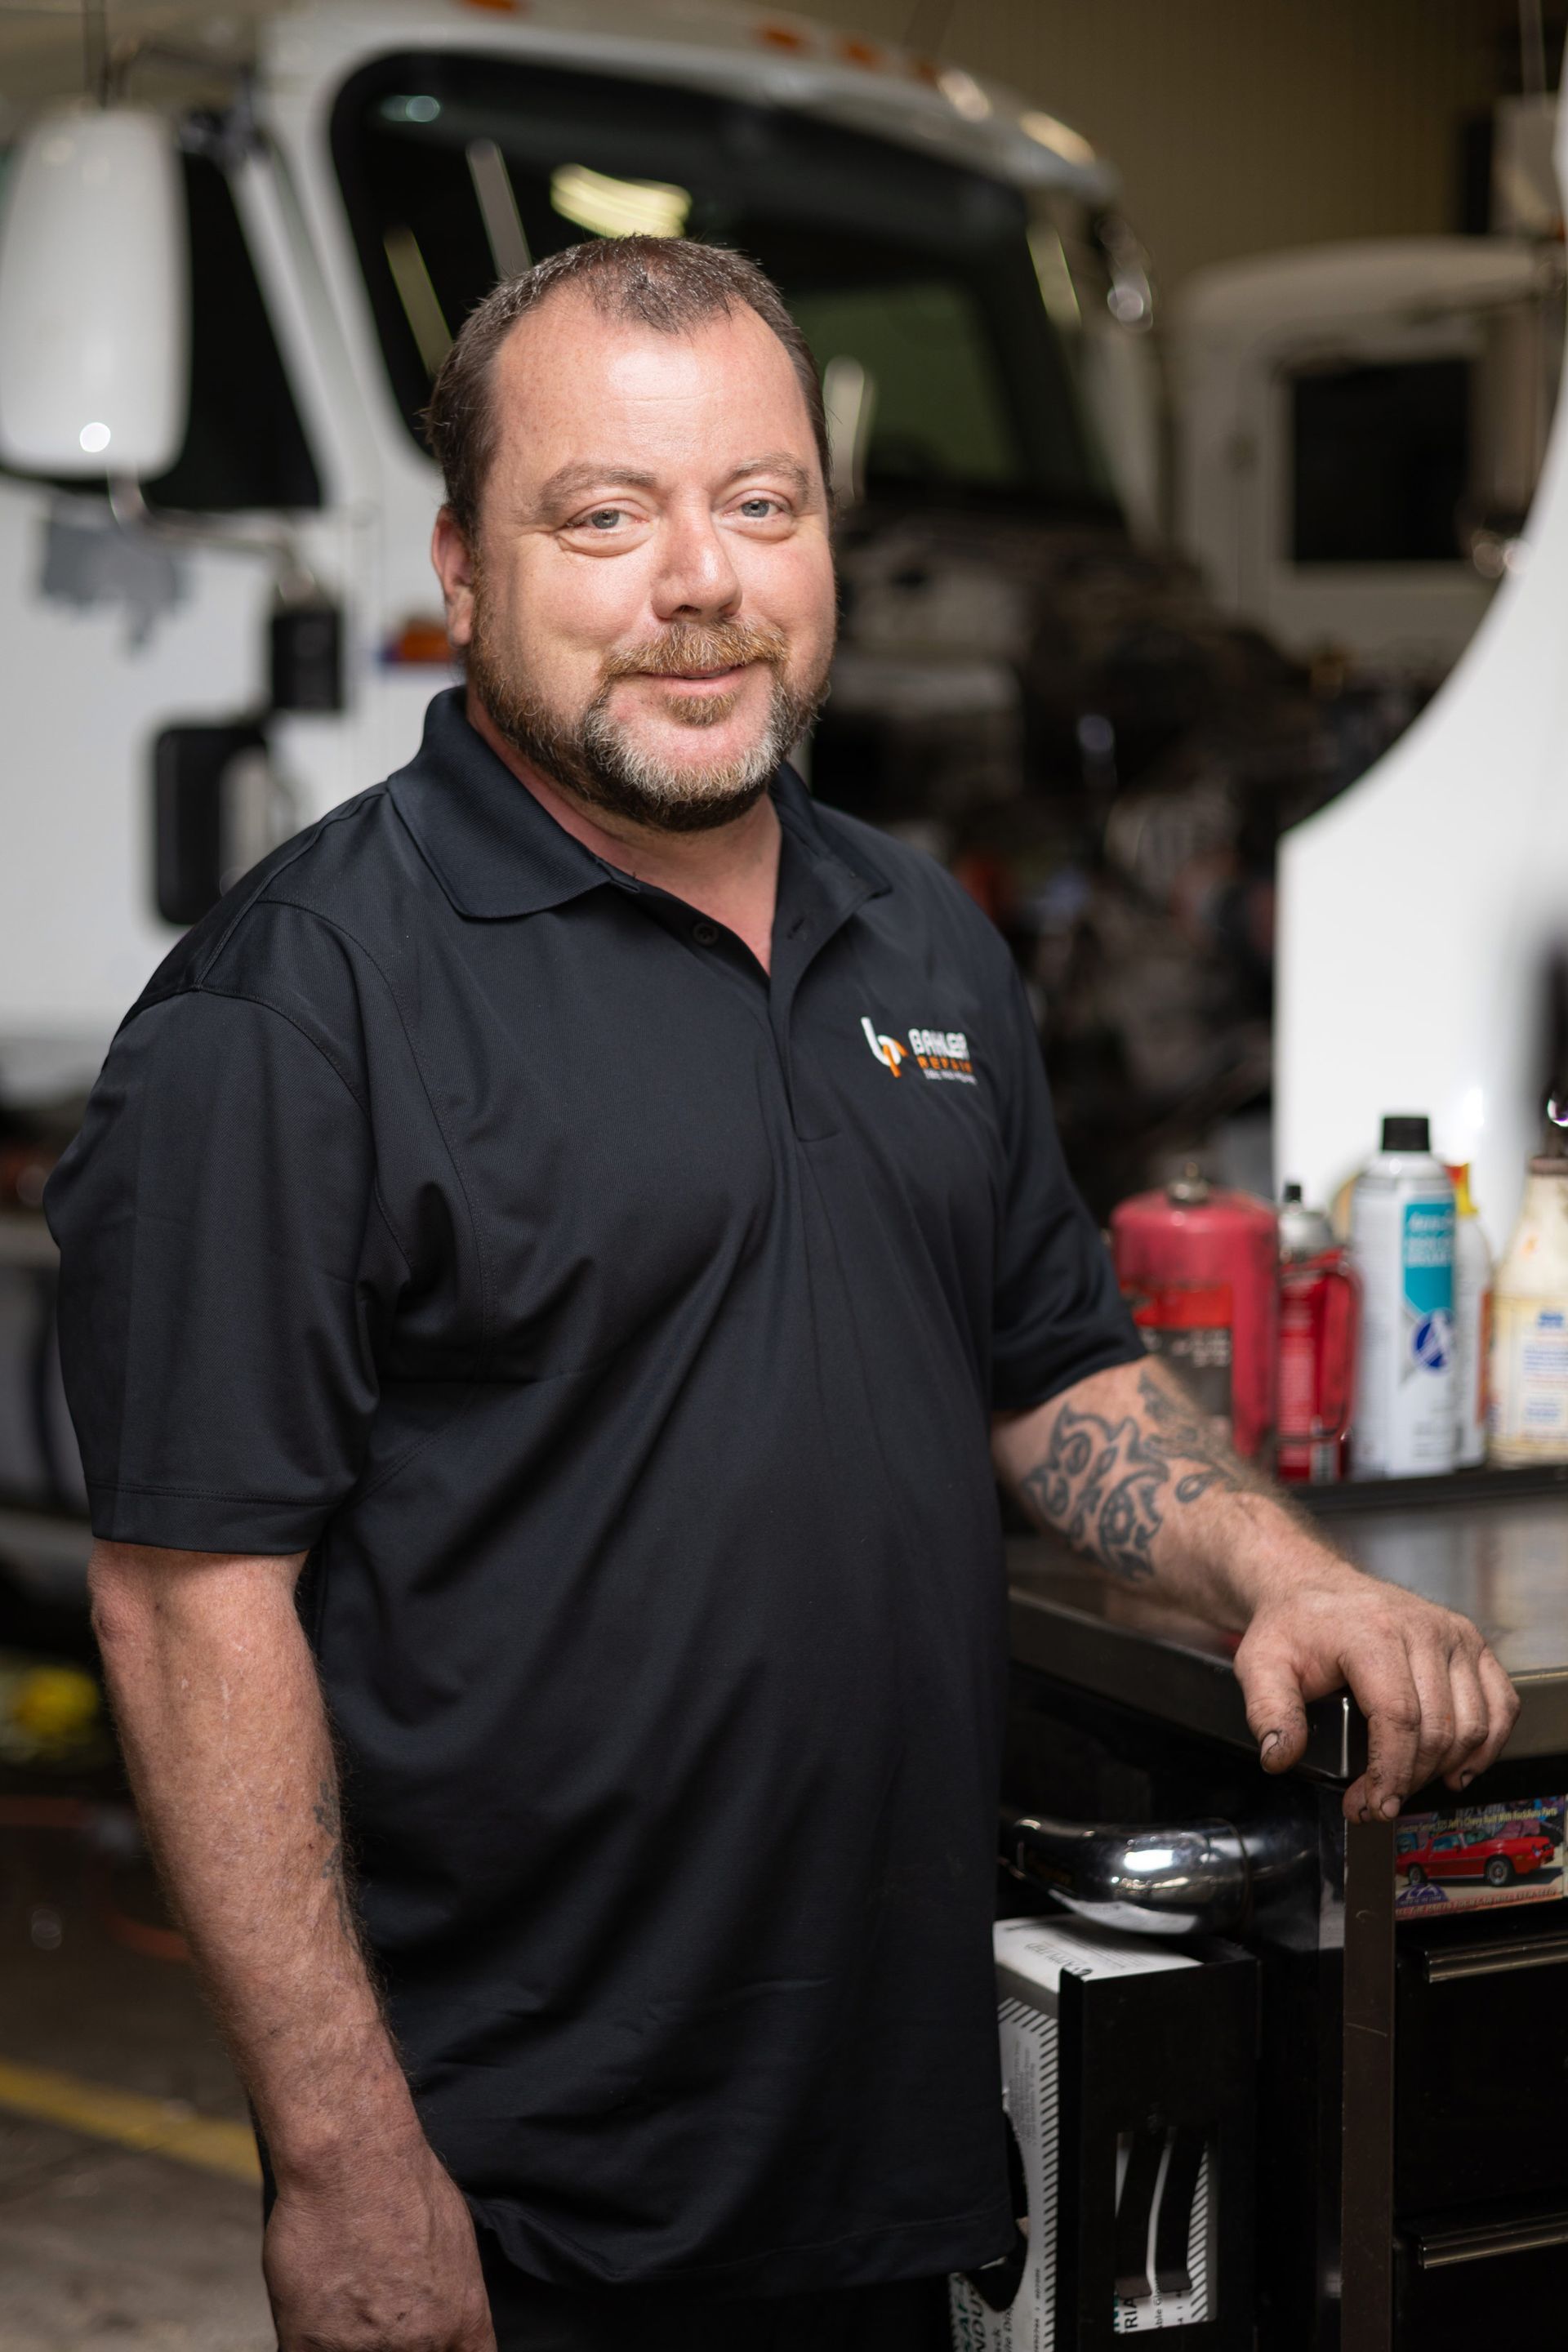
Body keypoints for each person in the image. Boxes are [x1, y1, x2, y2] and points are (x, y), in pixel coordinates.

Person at [47, 238, 1517, 2352]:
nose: (702, 581)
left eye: (762, 503)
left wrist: (1272, 1570)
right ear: (463, 566)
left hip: (885, 2140)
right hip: (515, 2186)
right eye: (605, 515)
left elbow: (1050, 1362)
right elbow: (192, 1611)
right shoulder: (293, 1017)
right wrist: (352, 2159)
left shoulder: (914, 939)